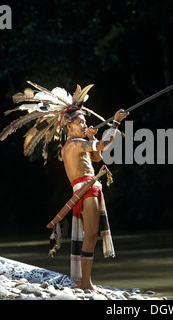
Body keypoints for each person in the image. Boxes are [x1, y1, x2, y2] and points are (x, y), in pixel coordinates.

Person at [61, 108, 129, 290]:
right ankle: (85, 283)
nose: (84, 125)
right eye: (80, 122)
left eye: (84, 122)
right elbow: (104, 145)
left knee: (91, 236)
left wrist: (91, 138)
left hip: (89, 189)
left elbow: (97, 158)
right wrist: (115, 122)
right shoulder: (74, 143)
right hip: (86, 190)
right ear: (69, 126)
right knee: (90, 236)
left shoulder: (77, 143)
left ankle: (85, 281)